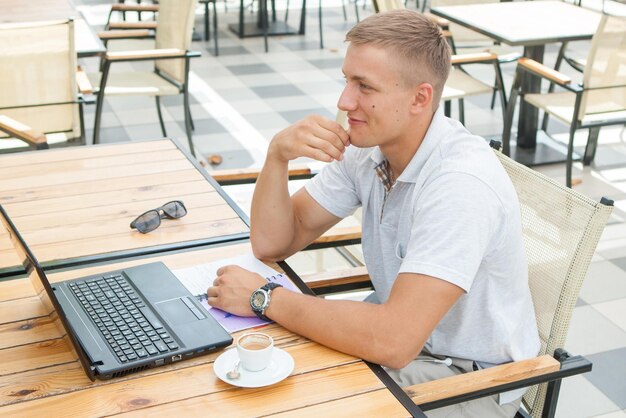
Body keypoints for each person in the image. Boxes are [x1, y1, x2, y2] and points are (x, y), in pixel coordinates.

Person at [207, 9, 539, 417]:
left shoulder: (460, 185)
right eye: (347, 80)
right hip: (404, 347)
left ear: (420, 98)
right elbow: (274, 241)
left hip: (467, 384)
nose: (345, 102)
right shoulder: (370, 150)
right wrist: (277, 156)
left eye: (364, 87)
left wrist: (263, 298)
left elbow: (394, 341)